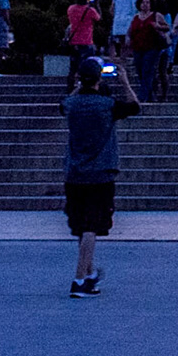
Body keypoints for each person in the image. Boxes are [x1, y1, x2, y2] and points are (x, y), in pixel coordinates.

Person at [62, 54, 140, 296]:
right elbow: (135, 106)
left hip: (74, 173)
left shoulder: (72, 105)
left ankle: (88, 273)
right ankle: (78, 279)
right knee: (91, 226)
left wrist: (78, 86)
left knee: (81, 226)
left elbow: (65, 103)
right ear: (99, 79)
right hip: (100, 173)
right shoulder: (107, 105)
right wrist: (125, 81)